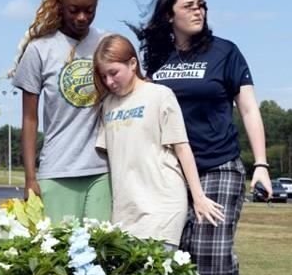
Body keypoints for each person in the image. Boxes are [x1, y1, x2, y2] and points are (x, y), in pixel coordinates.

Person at [130, 0, 271, 275]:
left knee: (211, 253)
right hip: (172, 172)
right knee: (187, 258)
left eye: (202, 4)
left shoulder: (225, 53)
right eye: (189, 5)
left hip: (220, 165)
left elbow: (248, 109)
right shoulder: (157, 61)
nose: (198, 10)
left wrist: (261, 164)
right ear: (169, 14)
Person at [92, 34, 225, 248]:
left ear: (133, 63)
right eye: (103, 76)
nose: (109, 82)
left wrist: (198, 197)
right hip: (125, 214)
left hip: (162, 208)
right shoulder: (108, 105)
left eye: (113, 73)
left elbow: (182, 148)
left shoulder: (160, 95)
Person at [10, 0, 110, 222]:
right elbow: (30, 120)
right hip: (58, 170)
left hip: (102, 170)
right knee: (62, 255)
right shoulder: (40, 50)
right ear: (60, 4)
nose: (82, 18)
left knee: (100, 254)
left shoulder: (106, 44)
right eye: (73, 10)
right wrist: (30, 177)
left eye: (89, 11)